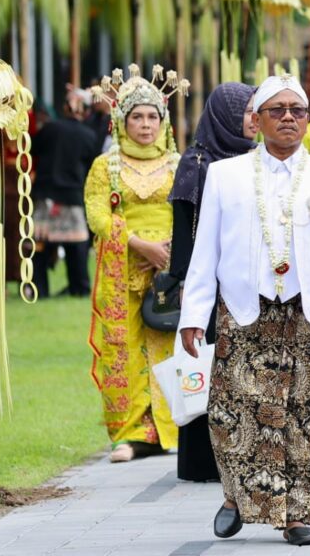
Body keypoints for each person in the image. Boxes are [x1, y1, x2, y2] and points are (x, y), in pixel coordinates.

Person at [179, 74, 310, 547]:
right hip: (244, 309)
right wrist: (193, 315)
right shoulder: (224, 175)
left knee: (302, 413)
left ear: (306, 118)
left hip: (308, 312)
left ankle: (296, 515)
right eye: (276, 110)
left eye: (296, 110)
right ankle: (236, 497)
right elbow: (205, 252)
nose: (287, 118)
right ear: (256, 120)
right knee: (231, 412)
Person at [85, 65, 187, 463]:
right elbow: (97, 215)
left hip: (170, 267)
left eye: (152, 116)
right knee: (122, 350)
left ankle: (175, 427)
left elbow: (190, 215)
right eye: (136, 117)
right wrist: (139, 244)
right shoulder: (104, 167)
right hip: (124, 267)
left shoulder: (179, 165)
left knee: (171, 344)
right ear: (120, 122)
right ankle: (130, 434)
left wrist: (170, 252)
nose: (145, 125)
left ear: (163, 121)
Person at [166, 82, 256, 483]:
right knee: (206, 367)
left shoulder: (259, 159)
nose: (256, 119)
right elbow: (185, 229)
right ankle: (203, 462)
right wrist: (187, 283)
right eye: (248, 111)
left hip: (246, 278)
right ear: (225, 115)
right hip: (210, 282)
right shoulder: (197, 164)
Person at [31, 90, 99, 298]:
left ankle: (38, 289)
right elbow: (92, 167)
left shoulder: (49, 129)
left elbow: (34, 150)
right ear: (85, 112)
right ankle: (79, 287)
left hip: (46, 196)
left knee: (39, 245)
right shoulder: (89, 136)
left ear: (63, 108)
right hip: (73, 196)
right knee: (77, 246)